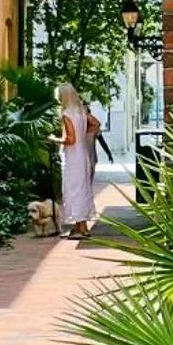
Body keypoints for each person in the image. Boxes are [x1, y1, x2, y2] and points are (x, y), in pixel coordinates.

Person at [57, 81, 101, 237]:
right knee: (82, 188)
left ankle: (81, 227)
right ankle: (81, 227)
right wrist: (86, 133)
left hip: (73, 157)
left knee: (73, 189)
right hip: (83, 155)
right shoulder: (82, 111)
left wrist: (54, 139)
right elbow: (97, 123)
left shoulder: (66, 114)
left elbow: (70, 139)